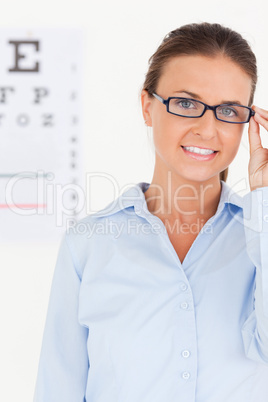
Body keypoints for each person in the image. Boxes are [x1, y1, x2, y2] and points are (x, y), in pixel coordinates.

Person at [33, 22, 268, 402]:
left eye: (228, 110)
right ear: (147, 106)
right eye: (187, 103)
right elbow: (57, 387)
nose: (208, 129)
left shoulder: (259, 234)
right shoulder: (90, 243)